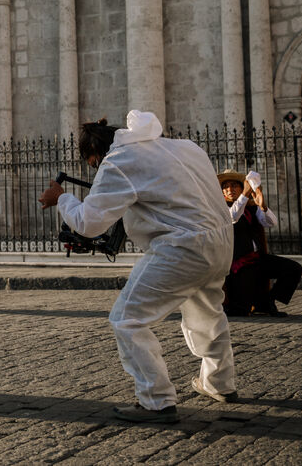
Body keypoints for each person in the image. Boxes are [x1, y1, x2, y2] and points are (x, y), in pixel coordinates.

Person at [39, 111, 237, 424]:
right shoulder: (185, 147)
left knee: (127, 319)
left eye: (93, 164)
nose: (97, 169)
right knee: (208, 312)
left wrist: (61, 199)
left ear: (96, 154)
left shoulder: (120, 160)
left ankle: (156, 400)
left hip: (182, 247)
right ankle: (220, 383)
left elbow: (89, 223)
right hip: (222, 243)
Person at [218, 170, 302, 317]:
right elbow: (232, 218)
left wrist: (263, 207)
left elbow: (271, 222)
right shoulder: (221, 209)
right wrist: (244, 194)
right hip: (237, 265)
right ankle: (250, 303)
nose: (230, 190)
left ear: (240, 187)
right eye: (225, 187)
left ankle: (269, 300)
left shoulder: (251, 208)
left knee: (293, 269)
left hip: (257, 259)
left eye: (234, 186)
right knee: (240, 311)